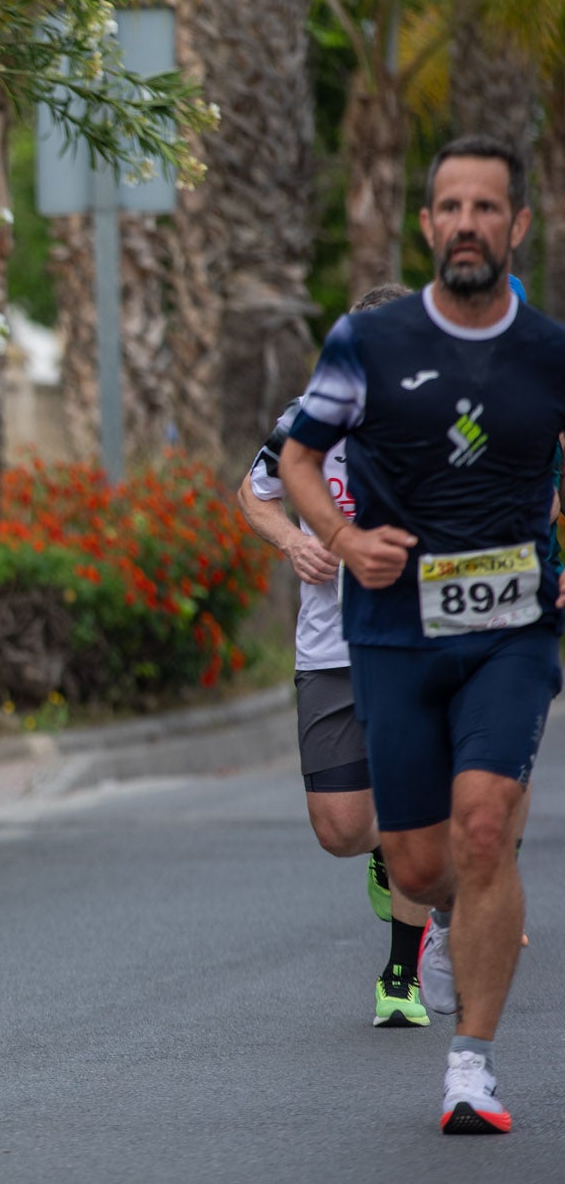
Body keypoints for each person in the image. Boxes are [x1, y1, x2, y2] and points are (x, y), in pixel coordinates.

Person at [279, 135, 565, 1135]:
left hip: (513, 625)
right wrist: (340, 537)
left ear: (516, 226)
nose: (466, 224)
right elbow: (296, 458)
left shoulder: (548, 351)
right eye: (449, 207)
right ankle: (443, 919)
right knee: (414, 861)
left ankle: (470, 1065)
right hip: (392, 628)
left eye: (486, 208)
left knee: (484, 824)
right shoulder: (370, 343)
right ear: (425, 224)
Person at [237, 283, 433, 1029]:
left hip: (415, 641)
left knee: (415, 807)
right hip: (329, 649)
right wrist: (291, 539)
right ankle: (390, 849)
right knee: (341, 829)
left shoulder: (440, 427)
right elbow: (252, 494)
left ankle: (400, 975)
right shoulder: (305, 423)